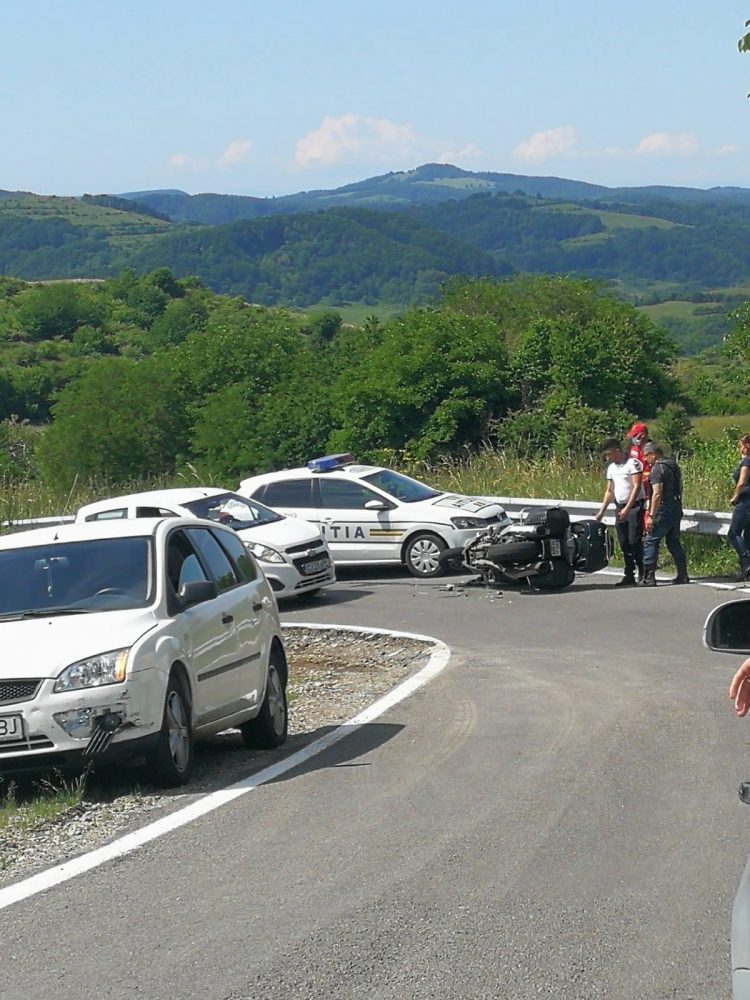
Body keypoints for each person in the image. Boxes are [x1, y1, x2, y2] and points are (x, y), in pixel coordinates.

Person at [595, 437, 644, 587]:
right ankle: (629, 574)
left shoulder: (633, 463)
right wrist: (601, 512)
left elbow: (636, 486)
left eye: (609, 454)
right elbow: (609, 491)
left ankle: (643, 571)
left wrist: (628, 508)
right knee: (623, 542)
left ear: (616, 451)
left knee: (634, 541)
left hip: (634, 506)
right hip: (619, 507)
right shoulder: (612, 468)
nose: (608, 458)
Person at [641, 443, 689, 586]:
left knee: (651, 540)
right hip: (676, 507)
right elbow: (680, 487)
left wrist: (650, 515)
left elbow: (656, 494)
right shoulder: (673, 466)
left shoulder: (657, 469)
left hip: (663, 508)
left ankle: (649, 577)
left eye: (646, 455)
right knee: (673, 541)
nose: (645, 459)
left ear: (653, 454)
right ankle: (683, 574)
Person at [728, 434, 750, 581]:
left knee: (734, 533)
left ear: (746, 446)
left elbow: (742, 482)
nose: (739, 449)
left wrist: (735, 496)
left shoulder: (747, 462)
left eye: (740, 445)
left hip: (745, 500)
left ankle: (746, 565)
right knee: (748, 535)